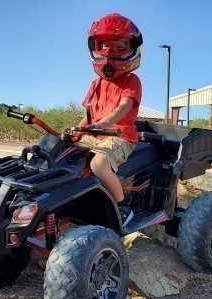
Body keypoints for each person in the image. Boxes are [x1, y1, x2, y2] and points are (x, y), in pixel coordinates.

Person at [75, 13, 143, 226]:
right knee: (63, 154)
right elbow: (87, 114)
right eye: (103, 46)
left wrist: (104, 123)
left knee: (99, 164)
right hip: (95, 135)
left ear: (132, 48)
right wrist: (74, 132)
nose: (109, 53)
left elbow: (124, 108)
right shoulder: (95, 83)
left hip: (120, 136)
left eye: (118, 47)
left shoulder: (132, 81)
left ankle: (122, 206)